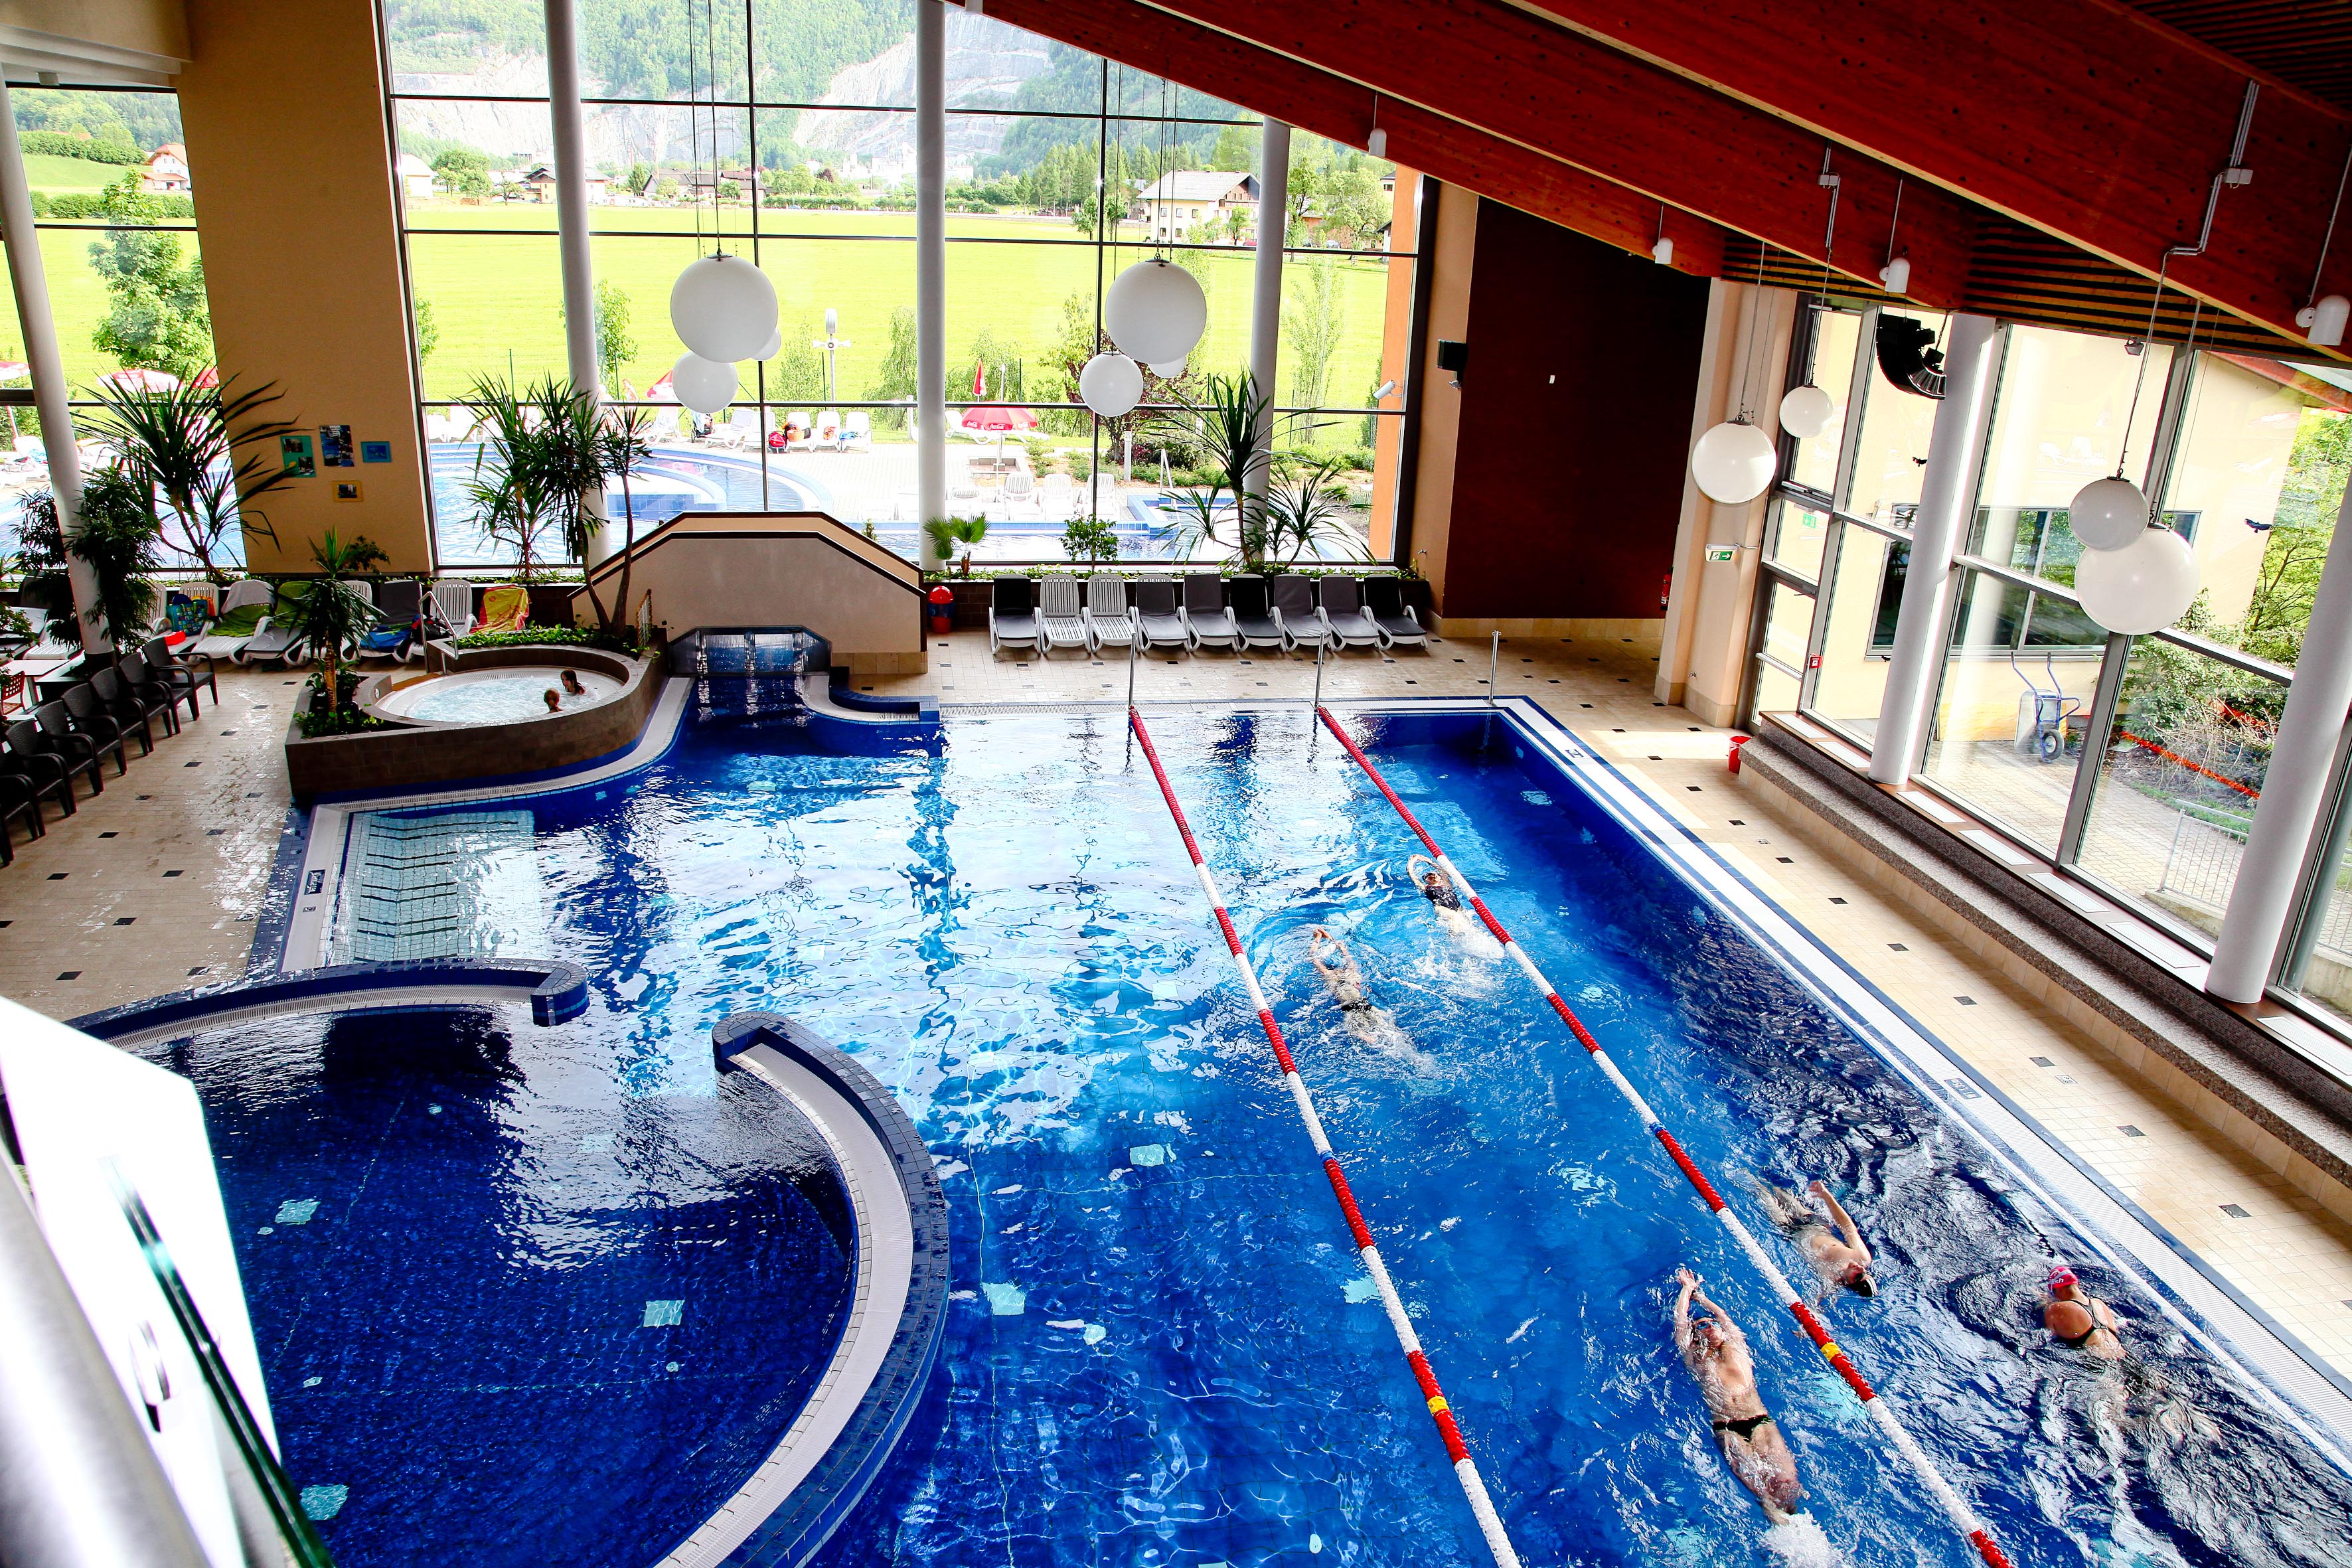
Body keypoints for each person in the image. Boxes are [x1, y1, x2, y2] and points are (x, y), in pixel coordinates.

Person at [1673, 1267, 1804, 1524]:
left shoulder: (1737, 1347)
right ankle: (1778, 1525)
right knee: (1764, 1496)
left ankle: (1802, 1530)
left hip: (1760, 1422)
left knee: (1787, 1486)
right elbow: (1680, 1323)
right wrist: (1686, 1291)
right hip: (1727, 1429)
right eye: (1701, 1326)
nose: (1709, 1326)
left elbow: (1722, 1315)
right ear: (1696, 1336)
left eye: (1712, 1324)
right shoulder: (1696, 1359)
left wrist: (1702, 1299)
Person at [1756, 1178, 1877, 1298]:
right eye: (1865, 1272)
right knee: (1775, 1189)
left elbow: (1819, 1300)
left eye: (1859, 1275)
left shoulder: (1831, 1280)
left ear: (1849, 1283)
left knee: (1761, 1192)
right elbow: (1847, 1226)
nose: (1861, 1268)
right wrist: (1826, 1195)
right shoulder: (1862, 1257)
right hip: (1813, 1222)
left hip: (1790, 1231)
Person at [2044, 1263, 2126, 1360]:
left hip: (2100, 1363)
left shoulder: (2054, 1308)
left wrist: (2044, 1303)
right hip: (2124, 1357)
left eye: (2053, 1293)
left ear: (2059, 1289)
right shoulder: (2100, 1304)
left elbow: (2048, 1336)